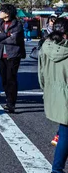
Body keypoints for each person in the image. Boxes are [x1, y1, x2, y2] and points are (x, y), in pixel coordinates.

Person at [38, 17, 68, 173]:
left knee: (64, 132)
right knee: (65, 134)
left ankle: (57, 170)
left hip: (54, 94)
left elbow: (41, 75)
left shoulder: (46, 46)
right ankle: (56, 170)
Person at [0, 3, 25, 113]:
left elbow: (14, 39)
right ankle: (8, 98)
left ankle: (11, 103)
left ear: (7, 13)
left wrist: (1, 36)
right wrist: (7, 34)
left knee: (11, 78)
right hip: (1, 54)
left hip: (13, 55)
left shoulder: (17, 24)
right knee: (4, 78)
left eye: (2, 11)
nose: (0, 13)